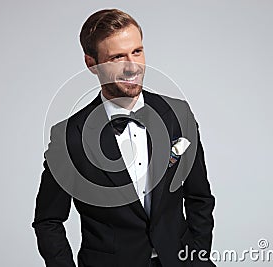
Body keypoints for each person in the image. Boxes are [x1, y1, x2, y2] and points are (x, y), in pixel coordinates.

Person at [32, 8, 216, 267]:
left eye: (137, 52)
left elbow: (200, 198)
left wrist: (198, 258)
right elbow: (48, 220)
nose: (133, 66)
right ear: (92, 64)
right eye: (117, 57)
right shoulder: (68, 138)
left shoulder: (179, 114)